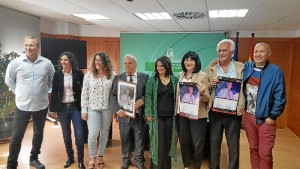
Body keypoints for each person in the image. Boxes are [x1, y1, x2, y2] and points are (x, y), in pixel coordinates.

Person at [5, 35, 55, 169]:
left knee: (38, 134)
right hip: (22, 105)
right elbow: (8, 80)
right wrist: (19, 91)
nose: (28, 48)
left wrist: (47, 91)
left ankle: (34, 159)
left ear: (38, 47)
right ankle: (11, 164)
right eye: (26, 45)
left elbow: (51, 80)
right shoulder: (16, 63)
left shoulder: (47, 63)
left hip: (41, 105)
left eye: (31, 45)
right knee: (16, 137)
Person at [243, 42, 286, 169]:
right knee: (253, 148)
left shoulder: (275, 71)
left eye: (262, 51)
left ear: (269, 53)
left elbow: (280, 96)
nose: (258, 54)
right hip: (249, 117)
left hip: (265, 119)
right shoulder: (247, 67)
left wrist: (272, 116)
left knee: (265, 153)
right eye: (256, 51)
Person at [205, 39, 245, 169]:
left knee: (233, 146)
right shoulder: (210, 68)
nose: (221, 53)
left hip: (233, 113)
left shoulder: (241, 67)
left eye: (225, 50)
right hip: (215, 112)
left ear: (232, 53)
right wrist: (210, 85)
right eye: (220, 51)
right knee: (214, 144)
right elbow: (205, 90)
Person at [109, 54, 149, 169]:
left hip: (139, 116)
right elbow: (112, 96)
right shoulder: (118, 78)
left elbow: (148, 94)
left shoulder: (144, 77)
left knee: (139, 140)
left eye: (130, 63)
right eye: (125, 63)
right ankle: (126, 160)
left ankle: (139, 161)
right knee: (125, 138)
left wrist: (142, 100)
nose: (127, 66)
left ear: (135, 64)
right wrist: (117, 110)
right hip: (123, 115)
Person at [49, 51, 85, 169]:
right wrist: (52, 108)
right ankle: (70, 157)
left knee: (79, 135)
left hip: (75, 107)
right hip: (62, 109)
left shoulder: (79, 73)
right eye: (62, 60)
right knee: (66, 134)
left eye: (66, 60)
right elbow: (54, 92)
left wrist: (85, 107)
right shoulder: (58, 74)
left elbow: (84, 91)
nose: (63, 62)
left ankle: (80, 160)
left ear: (71, 61)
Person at [81, 52, 116, 169]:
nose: (98, 63)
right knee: (93, 133)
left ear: (105, 62)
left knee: (105, 132)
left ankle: (100, 155)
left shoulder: (112, 75)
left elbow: (115, 94)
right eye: (96, 60)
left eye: (100, 60)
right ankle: (92, 157)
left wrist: (116, 110)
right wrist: (84, 110)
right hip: (92, 108)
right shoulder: (89, 75)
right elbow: (84, 94)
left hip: (108, 108)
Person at [176, 51, 210, 169]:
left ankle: (197, 166)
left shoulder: (203, 76)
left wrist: (202, 93)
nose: (188, 62)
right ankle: (186, 165)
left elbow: (207, 98)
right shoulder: (180, 75)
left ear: (196, 62)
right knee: (184, 141)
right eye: (186, 59)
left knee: (197, 143)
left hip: (197, 116)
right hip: (182, 114)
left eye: (191, 60)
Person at [145, 56, 179, 169]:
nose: (159, 68)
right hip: (156, 116)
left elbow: (178, 96)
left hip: (170, 117)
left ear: (167, 66)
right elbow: (148, 97)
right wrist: (148, 113)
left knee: (168, 143)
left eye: (162, 65)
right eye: (158, 66)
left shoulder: (175, 80)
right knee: (158, 143)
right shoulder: (152, 80)